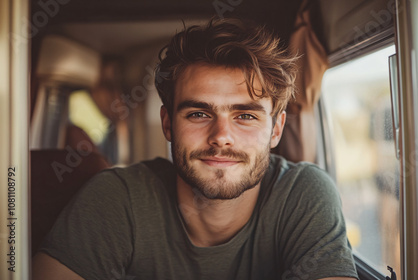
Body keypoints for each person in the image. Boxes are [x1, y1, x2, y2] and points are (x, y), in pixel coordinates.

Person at [33, 18, 358, 280]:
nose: (221, 136)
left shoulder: (303, 194)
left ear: (276, 129)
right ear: (168, 124)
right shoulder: (117, 197)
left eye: (245, 115)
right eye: (199, 114)